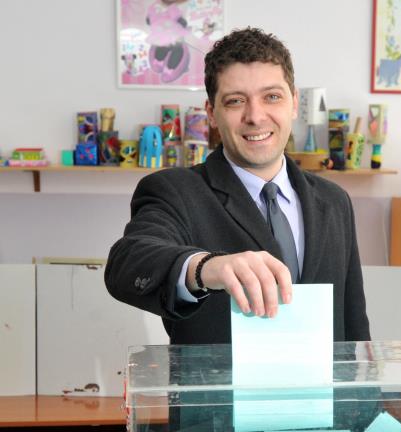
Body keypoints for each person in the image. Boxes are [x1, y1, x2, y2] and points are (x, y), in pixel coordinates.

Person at [105, 27, 370, 344]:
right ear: (211, 113)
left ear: (294, 103)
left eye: (272, 97)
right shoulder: (174, 191)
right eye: (235, 101)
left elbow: (354, 325)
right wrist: (206, 267)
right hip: (216, 379)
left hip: (320, 379)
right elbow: (128, 263)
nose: (255, 116)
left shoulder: (334, 200)